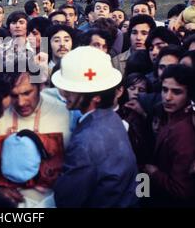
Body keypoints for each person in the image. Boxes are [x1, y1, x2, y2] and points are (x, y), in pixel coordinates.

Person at [52, 46, 138, 207]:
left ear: (96, 97)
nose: (64, 93)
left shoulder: (85, 142)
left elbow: (67, 199)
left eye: (72, 90)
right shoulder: (112, 118)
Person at [0, 62, 72, 207]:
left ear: (40, 87)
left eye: (27, 93)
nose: (21, 103)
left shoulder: (63, 113)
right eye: (13, 96)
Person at [143, 65, 195, 206]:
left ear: (189, 94)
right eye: (164, 90)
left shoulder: (183, 132)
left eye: (176, 92)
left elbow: (183, 190)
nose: (168, 97)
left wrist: (154, 173)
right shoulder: (164, 115)